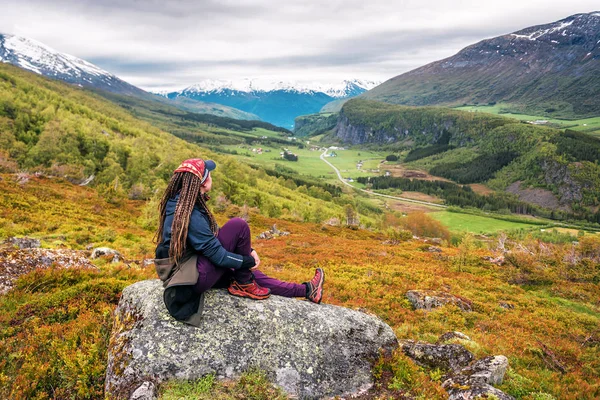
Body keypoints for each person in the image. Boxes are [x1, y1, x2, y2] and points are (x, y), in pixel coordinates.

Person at [154, 158, 325, 310]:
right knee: (239, 225)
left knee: (252, 275)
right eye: (209, 175)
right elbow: (218, 255)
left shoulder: (181, 203)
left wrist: (248, 251)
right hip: (190, 279)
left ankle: (308, 290)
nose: (211, 177)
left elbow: (213, 236)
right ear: (203, 183)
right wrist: (247, 261)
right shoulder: (190, 214)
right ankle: (244, 283)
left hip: (190, 271)